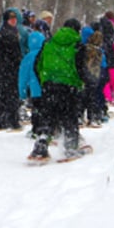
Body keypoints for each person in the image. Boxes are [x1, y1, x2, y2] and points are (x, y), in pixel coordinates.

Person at [28, 19, 90, 162]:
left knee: (48, 117)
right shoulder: (78, 45)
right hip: (69, 86)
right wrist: (81, 83)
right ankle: (70, 147)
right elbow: (81, 68)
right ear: (77, 30)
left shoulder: (48, 43)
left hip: (49, 85)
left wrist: (44, 80)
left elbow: (38, 64)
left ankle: (41, 146)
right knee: (69, 117)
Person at [78, 26, 106, 128]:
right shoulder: (96, 49)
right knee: (91, 97)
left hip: (83, 75)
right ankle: (92, 117)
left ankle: (80, 116)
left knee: (82, 97)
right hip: (93, 75)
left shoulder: (81, 47)